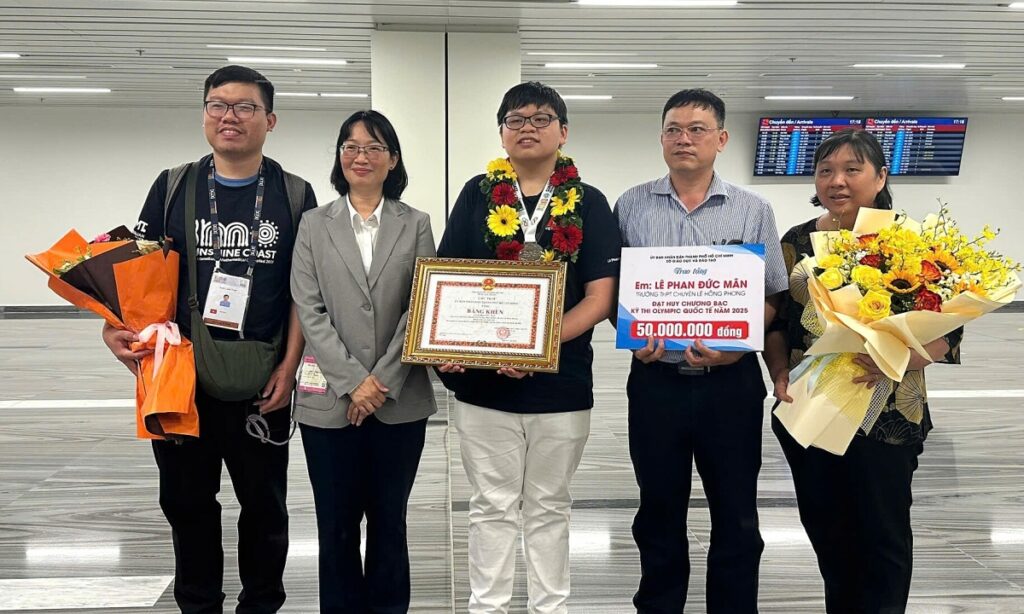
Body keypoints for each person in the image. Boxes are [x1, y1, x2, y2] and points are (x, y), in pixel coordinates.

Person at [103, 65, 317, 613]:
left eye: (245, 107)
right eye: (218, 105)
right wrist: (113, 327)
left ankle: (261, 604)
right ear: (204, 115)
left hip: (262, 381)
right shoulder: (174, 185)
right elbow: (140, 273)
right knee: (186, 502)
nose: (230, 117)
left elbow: (304, 290)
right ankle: (198, 605)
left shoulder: (295, 195)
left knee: (264, 507)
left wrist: (290, 367)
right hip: (180, 379)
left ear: (270, 120)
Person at [436, 81, 621, 614]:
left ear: (563, 132)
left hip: (561, 386)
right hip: (484, 388)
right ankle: (487, 607)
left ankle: (550, 608)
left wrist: (533, 346)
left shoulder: (589, 202)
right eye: (515, 119)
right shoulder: (477, 194)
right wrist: (449, 342)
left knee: (549, 506)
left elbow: (599, 298)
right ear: (502, 133)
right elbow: (450, 279)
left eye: (541, 119)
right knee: (490, 506)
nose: (527, 128)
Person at [763, 129, 962, 613]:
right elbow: (780, 323)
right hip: (811, 409)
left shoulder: (911, 242)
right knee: (828, 533)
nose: (838, 181)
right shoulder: (796, 241)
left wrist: (897, 357)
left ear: (880, 176)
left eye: (852, 169)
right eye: (826, 170)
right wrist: (778, 372)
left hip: (887, 415)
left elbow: (950, 329)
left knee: (883, 536)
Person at [614, 88, 788, 613]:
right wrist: (635, 336)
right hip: (656, 382)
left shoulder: (753, 209)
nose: (683, 139)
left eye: (696, 129)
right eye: (673, 129)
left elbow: (773, 295)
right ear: (661, 138)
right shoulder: (630, 205)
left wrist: (739, 345)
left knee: (736, 514)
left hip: (730, 385)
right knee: (657, 510)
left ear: (721, 138)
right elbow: (616, 291)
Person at [289, 110, 437, 613]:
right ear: (339, 157)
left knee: (390, 522)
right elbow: (308, 308)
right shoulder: (313, 224)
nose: (361, 156)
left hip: (400, 401)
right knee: (335, 525)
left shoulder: (416, 223)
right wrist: (354, 382)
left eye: (374, 147)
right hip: (329, 403)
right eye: (351, 147)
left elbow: (420, 305)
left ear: (392, 160)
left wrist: (380, 382)